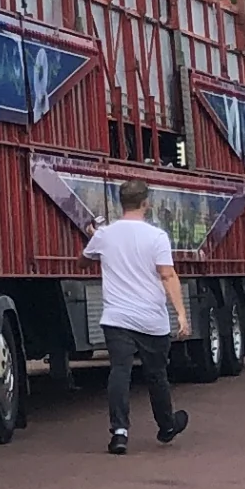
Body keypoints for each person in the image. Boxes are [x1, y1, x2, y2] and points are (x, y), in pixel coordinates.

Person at [86, 177, 192, 454]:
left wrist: (93, 236)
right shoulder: (156, 237)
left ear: (121, 203)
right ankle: (166, 425)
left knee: (119, 371)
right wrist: (181, 314)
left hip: (116, 318)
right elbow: (167, 275)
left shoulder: (105, 235)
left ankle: (119, 432)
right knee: (156, 374)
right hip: (151, 319)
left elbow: (84, 258)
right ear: (146, 203)